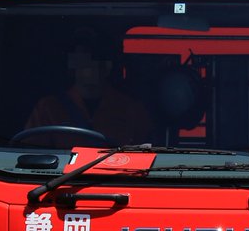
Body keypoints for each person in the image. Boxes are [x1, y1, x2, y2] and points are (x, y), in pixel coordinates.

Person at [24, 35, 154, 147]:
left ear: (107, 67)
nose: (90, 67)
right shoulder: (48, 108)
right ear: (72, 65)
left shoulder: (131, 109)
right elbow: (29, 152)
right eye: (83, 61)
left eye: (96, 59)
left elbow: (146, 151)